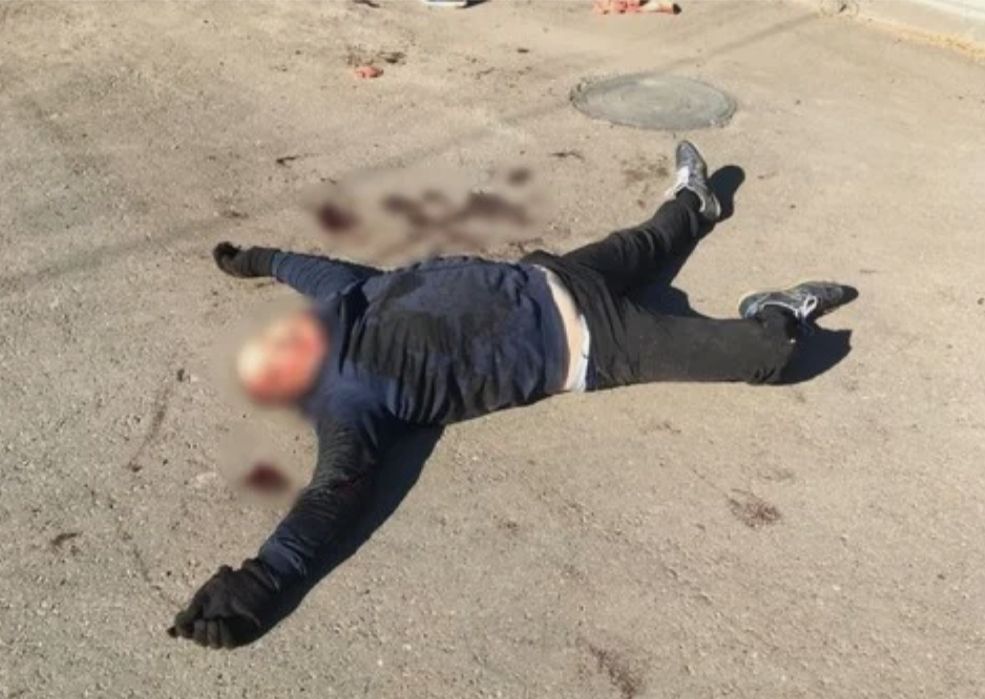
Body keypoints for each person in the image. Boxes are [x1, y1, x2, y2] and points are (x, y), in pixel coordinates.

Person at [169, 142, 855, 649]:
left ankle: (694, 202)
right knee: (766, 357)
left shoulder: (343, 298)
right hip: (596, 344)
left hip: (553, 275)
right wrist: (263, 581)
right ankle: (775, 309)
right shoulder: (350, 402)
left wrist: (255, 259)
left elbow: (311, 268)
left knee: (650, 239)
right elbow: (333, 496)